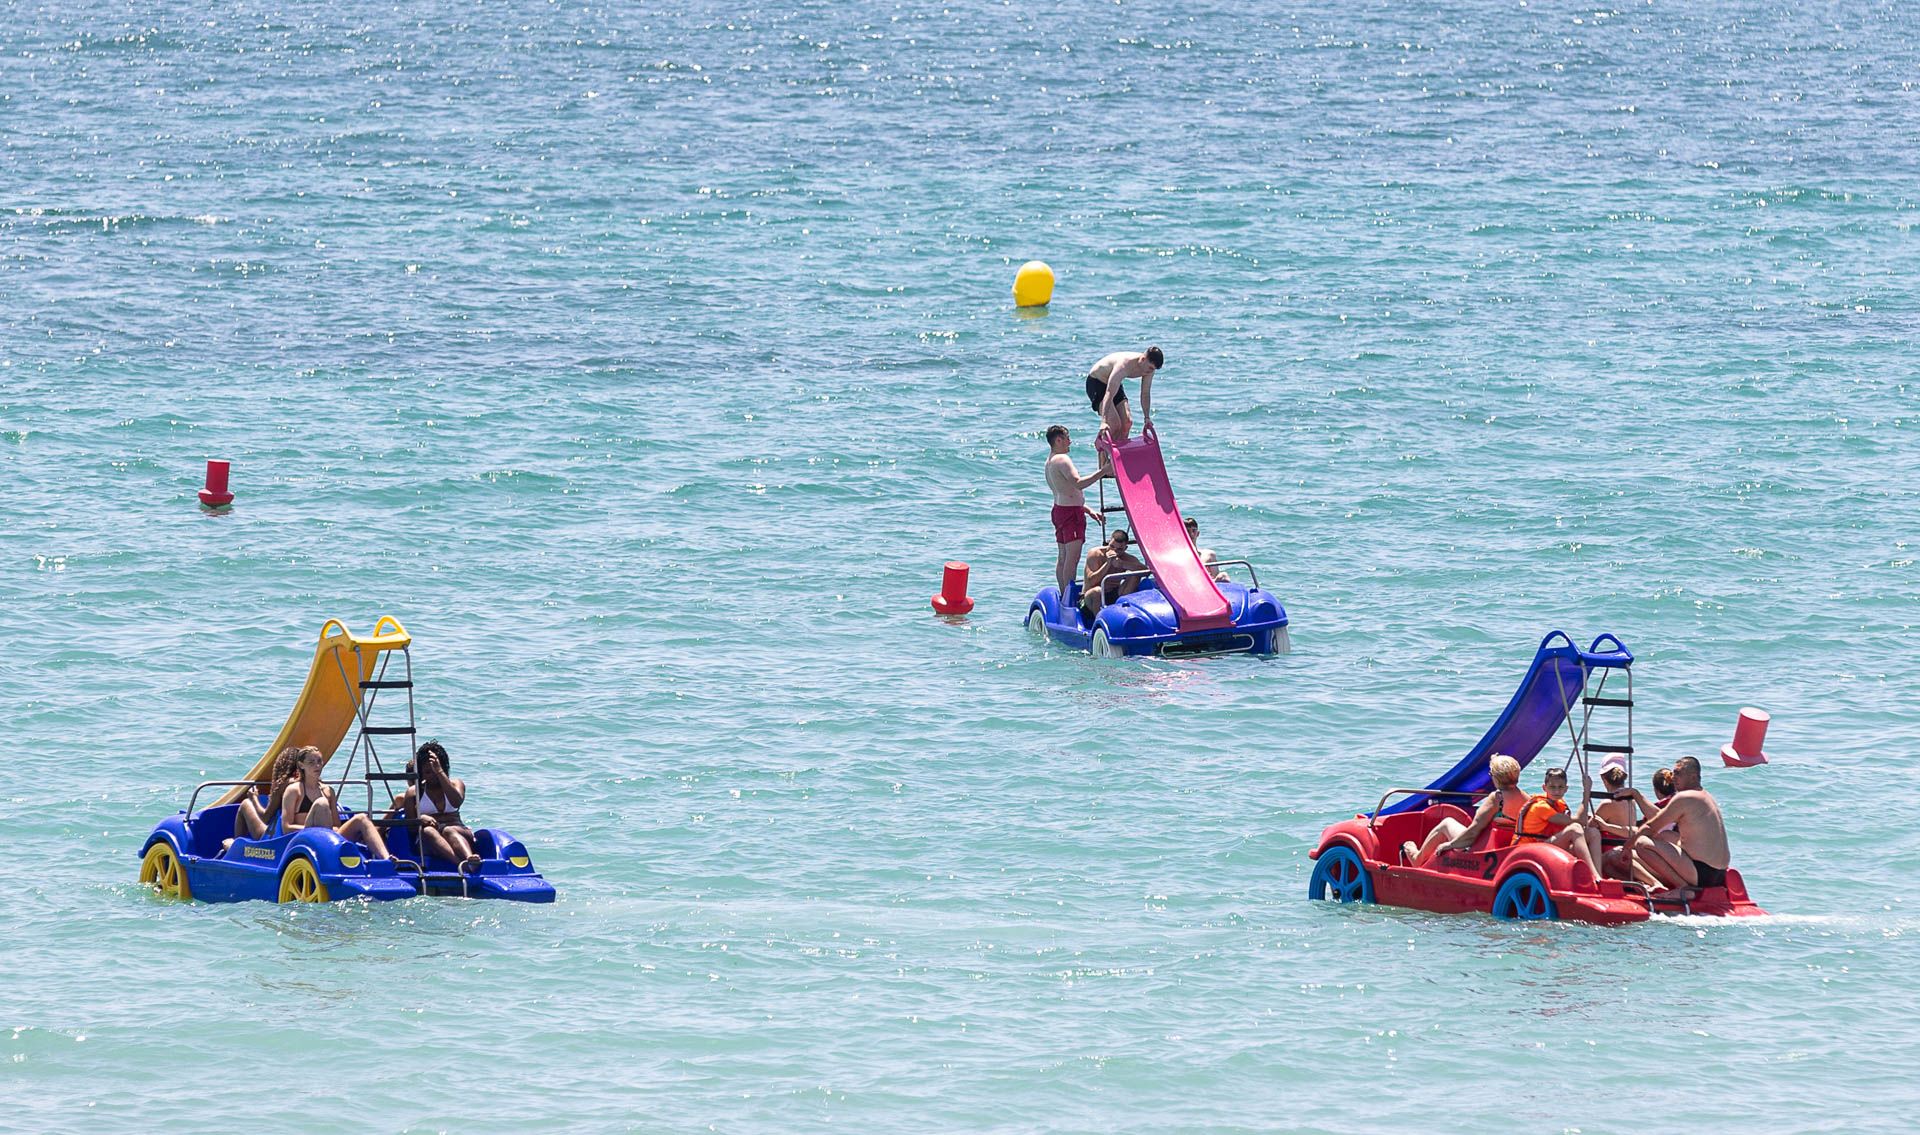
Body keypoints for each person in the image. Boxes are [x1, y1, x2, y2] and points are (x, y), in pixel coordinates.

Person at [1632, 755, 1734, 900]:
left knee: (1641, 843)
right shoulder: (1706, 796)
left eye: (1678, 773)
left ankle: (1683, 888)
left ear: (1693, 777)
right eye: (1673, 773)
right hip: (1720, 874)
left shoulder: (1684, 797)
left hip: (1701, 873)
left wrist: (1627, 847)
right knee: (1666, 836)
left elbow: (1651, 827)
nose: (1673, 777)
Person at [1402, 754, 1527, 867]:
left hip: (1483, 850)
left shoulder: (1497, 798)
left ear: (1494, 777)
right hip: (1506, 848)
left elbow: (1472, 834)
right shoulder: (1527, 798)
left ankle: (1417, 859)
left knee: (1447, 823)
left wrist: (1449, 845)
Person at [280, 745, 395, 860]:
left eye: (319, 761)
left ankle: (386, 859)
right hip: (304, 838)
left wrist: (331, 831)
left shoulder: (328, 791)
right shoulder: (294, 790)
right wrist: (315, 829)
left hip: (328, 837)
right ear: (301, 765)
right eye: (311, 762)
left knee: (362, 818)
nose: (317, 765)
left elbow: (336, 826)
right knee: (321, 803)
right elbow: (286, 828)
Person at [381, 741, 481, 873]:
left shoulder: (456, 784)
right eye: (428, 772)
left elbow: (456, 802)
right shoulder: (413, 793)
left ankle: (469, 859)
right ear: (421, 773)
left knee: (448, 830)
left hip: (458, 833)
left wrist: (439, 772)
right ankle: (461, 864)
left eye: (436, 770)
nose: (432, 775)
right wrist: (420, 818)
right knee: (427, 831)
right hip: (428, 842)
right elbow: (411, 828)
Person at [1045, 425, 1107, 597]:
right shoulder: (1062, 459)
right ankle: (1069, 597)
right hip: (1070, 514)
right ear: (1058, 440)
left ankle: (1064, 592)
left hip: (1060, 510)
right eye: (1067, 438)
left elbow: (1063, 490)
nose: (1069, 441)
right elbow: (1077, 483)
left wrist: (1087, 509)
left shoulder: (1049, 461)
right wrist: (1103, 472)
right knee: (1071, 559)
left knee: (1063, 556)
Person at [1513, 766, 1603, 879]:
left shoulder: (1559, 803)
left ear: (1566, 789)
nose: (1556, 791)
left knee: (1593, 832)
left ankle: (1599, 876)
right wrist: (1586, 793)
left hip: (1545, 844)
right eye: (1552, 787)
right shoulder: (1541, 807)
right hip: (1528, 850)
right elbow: (1580, 821)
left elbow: (1582, 821)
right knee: (1575, 828)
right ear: (1544, 788)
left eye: (1560, 787)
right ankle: (1594, 876)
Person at [1587, 756, 1661, 886]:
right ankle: (1637, 883)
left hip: (1613, 854)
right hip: (1626, 851)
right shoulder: (1630, 801)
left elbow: (1590, 828)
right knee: (1610, 868)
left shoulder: (1607, 804)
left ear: (1604, 779)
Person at [227, 747, 302, 848]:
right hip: (298, 835)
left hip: (275, 839)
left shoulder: (283, 784)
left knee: (245, 804)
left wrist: (254, 798)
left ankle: (236, 847)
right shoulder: (310, 785)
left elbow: (265, 817)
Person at [1086, 347, 1164, 441]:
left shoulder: (1149, 369)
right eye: (1150, 368)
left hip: (1113, 383)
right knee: (1114, 425)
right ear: (1143, 359)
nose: (1151, 371)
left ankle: (1120, 453)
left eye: (1154, 369)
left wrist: (1147, 418)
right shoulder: (1124, 365)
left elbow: (1145, 393)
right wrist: (1104, 421)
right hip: (1096, 382)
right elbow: (1109, 392)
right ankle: (1101, 447)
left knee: (1127, 422)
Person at [1081, 529, 1146, 618]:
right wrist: (1108, 563)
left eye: (1119, 549)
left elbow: (1146, 571)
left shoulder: (1126, 558)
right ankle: (1100, 620)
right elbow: (1091, 582)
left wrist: (1123, 564)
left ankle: (1123, 615)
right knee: (1097, 591)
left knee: (1135, 575)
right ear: (1109, 542)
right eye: (1112, 546)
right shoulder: (1095, 554)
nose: (1115, 551)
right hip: (1092, 597)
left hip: (1114, 593)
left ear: (1125, 548)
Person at [1184, 516, 1228, 581]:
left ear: (1198, 533)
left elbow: (1215, 576)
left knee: (1224, 575)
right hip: (1191, 583)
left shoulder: (1209, 555)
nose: (1191, 534)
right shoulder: (1181, 556)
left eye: (1193, 531)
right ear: (1184, 534)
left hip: (1208, 585)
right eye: (1188, 531)